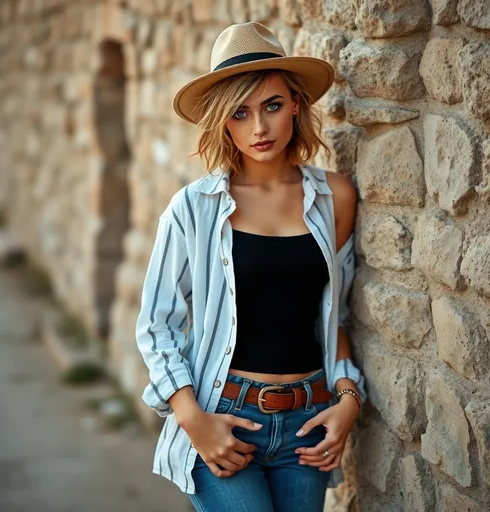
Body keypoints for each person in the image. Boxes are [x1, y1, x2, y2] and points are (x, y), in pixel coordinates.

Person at [135, 21, 367, 512]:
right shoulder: (193, 208)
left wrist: (348, 400)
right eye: (240, 113)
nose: (258, 128)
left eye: (272, 106)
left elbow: (334, 317)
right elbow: (157, 324)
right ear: (223, 121)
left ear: (296, 105)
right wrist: (192, 420)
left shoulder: (334, 198)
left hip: (309, 421)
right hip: (222, 418)